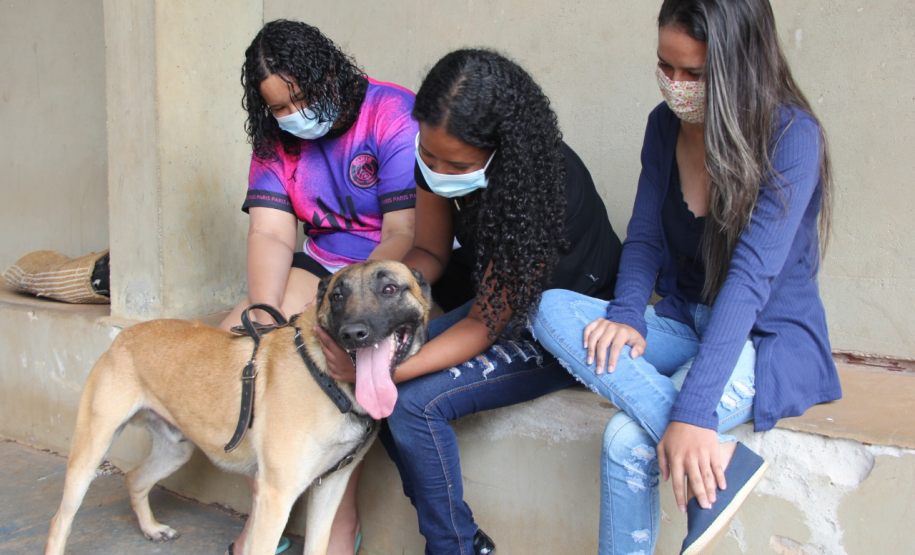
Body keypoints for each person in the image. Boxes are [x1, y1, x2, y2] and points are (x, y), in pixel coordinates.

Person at [532, 1, 841, 554]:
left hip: (765, 340)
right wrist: (627, 315)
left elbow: (749, 279)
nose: (675, 85)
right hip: (684, 323)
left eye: (694, 74)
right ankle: (721, 457)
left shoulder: (794, 137)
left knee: (628, 441)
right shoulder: (663, 125)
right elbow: (645, 235)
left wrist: (695, 413)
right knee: (550, 308)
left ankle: (701, 438)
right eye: (665, 67)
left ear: (739, 67)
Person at [318, 49, 623, 554]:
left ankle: (452, 547)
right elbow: (430, 253)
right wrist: (378, 304)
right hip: (496, 297)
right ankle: (462, 539)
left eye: (454, 163)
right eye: (429, 156)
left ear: (501, 151)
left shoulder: (542, 187)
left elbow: (485, 325)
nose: (436, 170)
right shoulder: (438, 156)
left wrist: (375, 371)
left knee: (410, 403)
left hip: (570, 321)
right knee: (384, 392)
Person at [219, 19, 418, 555]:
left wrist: (342, 300)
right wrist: (262, 311)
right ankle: (269, 505)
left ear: (331, 71)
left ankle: (339, 522)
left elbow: (405, 232)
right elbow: (270, 231)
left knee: (334, 349)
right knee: (241, 342)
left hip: (385, 268)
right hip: (324, 260)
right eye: (280, 108)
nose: (293, 116)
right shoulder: (274, 140)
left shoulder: (392, 112)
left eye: (301, 99)